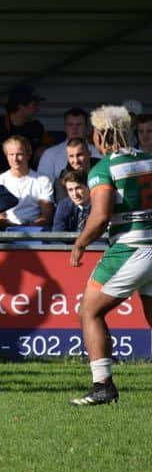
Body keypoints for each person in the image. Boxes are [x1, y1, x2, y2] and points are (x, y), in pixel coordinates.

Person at [69, 105, 152, 406]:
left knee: (89, 311)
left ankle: (103, 385)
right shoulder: (149, 159)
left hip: (130, 248)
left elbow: (101, 215)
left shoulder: (104, 168)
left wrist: (80, 243)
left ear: (102, 134)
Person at [0, 85, 52, 173]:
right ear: (21, 106)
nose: (37, 109)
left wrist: (44, 150)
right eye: (34, 105)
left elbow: (53, 150)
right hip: (1, 179)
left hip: (31, 178)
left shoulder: (36, 126)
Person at [0, 136, 54, 229]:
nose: (15, 159)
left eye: (19, 154)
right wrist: (15, 228)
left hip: (37, 232)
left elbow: (47, 215)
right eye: (11, 154)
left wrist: (29, 227)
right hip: (7, 233)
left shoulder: (43, 180)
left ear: (28, 155)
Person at [37, 108, 101, 181]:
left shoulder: (98, 152)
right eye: (70, 125)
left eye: (79, 124)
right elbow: (43, 184)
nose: (74, 128)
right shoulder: (50, 154)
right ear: (65, 127)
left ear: (86, 127)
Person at [52, 138, 97, 204]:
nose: (76, 161)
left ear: (89, 154)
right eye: (71, 156)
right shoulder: (62, 181)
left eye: (79, 155)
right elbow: (65, 207)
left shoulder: (103, 169)